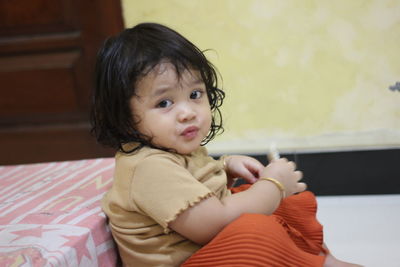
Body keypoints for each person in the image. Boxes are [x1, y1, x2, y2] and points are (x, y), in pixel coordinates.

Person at [91, 22, 361, 267]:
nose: (187, 112)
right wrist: (274, 185)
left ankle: (321, 260)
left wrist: (226, 167)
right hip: (189, 261)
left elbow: (193, 184)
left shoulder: (170, 146)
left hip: (209, 250)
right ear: (124, 117)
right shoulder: (147, 167)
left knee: (284, 206)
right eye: (164, 103)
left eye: (195, 94)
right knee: (256, 228)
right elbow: (212, 224)